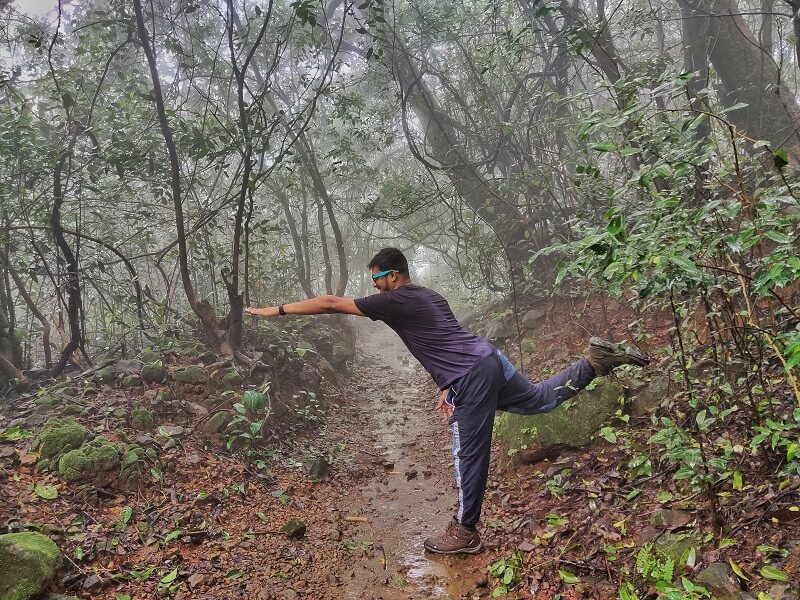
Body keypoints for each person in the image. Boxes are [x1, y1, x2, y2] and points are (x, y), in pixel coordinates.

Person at [244, 247, 649, 554]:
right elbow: (445, 339)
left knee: (468, 453)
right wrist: (447, 385)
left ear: (393, 276)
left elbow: (331, 303)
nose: (374, 287)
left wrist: (276, 310)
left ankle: (465, 531)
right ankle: (596, 362)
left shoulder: (395, 299)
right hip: (489, 361)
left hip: (471, 376)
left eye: (377, 279)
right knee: (540, 400)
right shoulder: (430, 296)